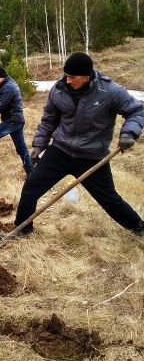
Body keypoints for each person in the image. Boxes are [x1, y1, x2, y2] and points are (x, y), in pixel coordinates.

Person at [14, 52, 144, 237]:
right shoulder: (58, 90)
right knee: (31, 187)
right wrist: (39, 145)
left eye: (72, 77)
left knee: (109, 199)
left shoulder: (110, 91)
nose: (67, 80)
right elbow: (48, 120)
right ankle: (23, 230)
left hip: (91, 156)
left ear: (87, 75)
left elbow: (137, 111)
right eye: (66, 75)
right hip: (60, 151)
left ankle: (140, 229)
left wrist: (129, 133)